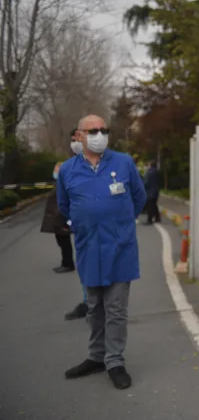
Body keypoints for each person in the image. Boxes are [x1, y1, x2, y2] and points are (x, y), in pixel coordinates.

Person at [58, 114, 147, 390]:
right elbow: (64, 205)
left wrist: (119, 224)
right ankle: (96, 356)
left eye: (103, 130)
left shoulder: (123, 162)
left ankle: (115, 361)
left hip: (120, 248)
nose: (99, 134)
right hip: (88, 248)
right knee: (94, 308)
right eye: (93, 130)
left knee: (116, 308)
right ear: (80, 135)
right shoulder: (68, 171)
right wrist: (84, 224)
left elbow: (139, 197)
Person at [63, 128, 90, 321]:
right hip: (83, 230)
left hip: (105, 228)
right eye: (73, 140)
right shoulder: (69, 169)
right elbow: (64, 202)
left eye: (78, 139)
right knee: (85, 267)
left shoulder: (105, 165)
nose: (75, 143)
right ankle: (89, 302)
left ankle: (98, 305)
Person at [41, 161, 73, 273]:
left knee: (64, 242)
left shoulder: (64, 184)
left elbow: (65, 203)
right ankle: (65, 262)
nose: (54, 172)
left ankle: (68, 264)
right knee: (61, 241)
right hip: (57, 218)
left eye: (56, 170)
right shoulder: (59, 183)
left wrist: (66, 220)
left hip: (62, 218)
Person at [142, 160, 162, 224]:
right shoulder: (157, 172)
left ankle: (149, 220)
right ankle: (157, 218)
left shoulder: (149, 172)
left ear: (150, 165)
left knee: (150, 206)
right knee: (154, 205)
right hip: (156, 191)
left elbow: (145, 182)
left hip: (149, 192)